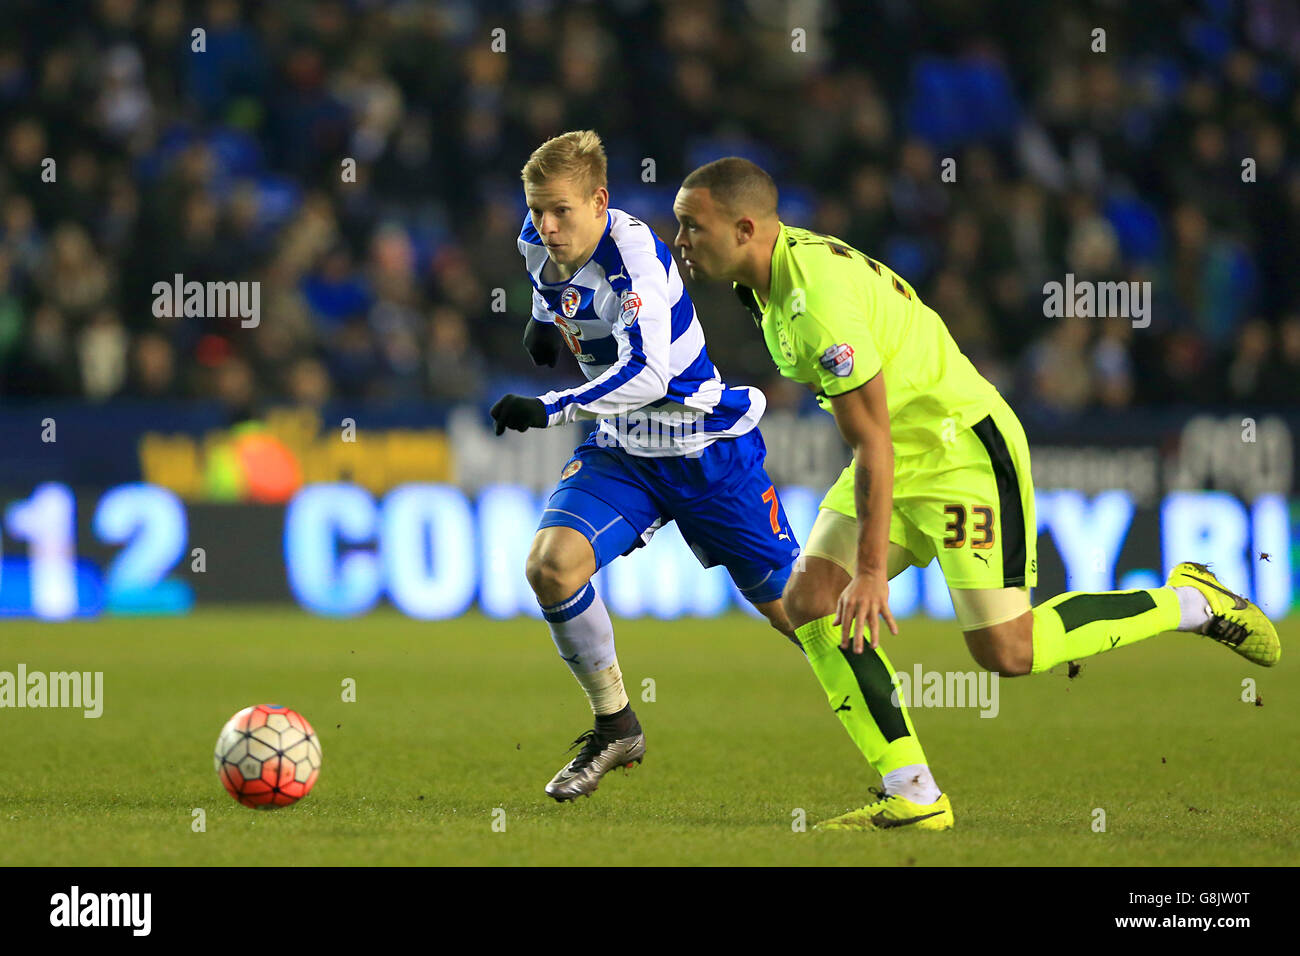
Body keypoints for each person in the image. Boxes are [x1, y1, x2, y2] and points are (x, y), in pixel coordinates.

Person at [672, 156, 1281, 830]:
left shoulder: (812, 303)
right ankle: (913, 792)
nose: (681, 241)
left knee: (1008, 652)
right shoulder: (762, 280)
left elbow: (871, 442)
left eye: (691, 227)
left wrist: (872, 573)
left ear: (746, 228)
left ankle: (1192, 601)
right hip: (900, 449)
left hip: (961, 453)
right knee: (811, 597)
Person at [489, 132, 799, 802]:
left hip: (701, 447)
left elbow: (649, 371)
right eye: (538, 209)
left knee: (799, 613)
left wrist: (552, 407)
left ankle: (895, 738)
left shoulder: (634, 256)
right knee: (550, 565)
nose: (547, 225)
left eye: (562, 211)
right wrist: (543, 321)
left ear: (600, 201)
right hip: (627, 447)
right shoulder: (536, 237)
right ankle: (616, 726)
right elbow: (549, 284)